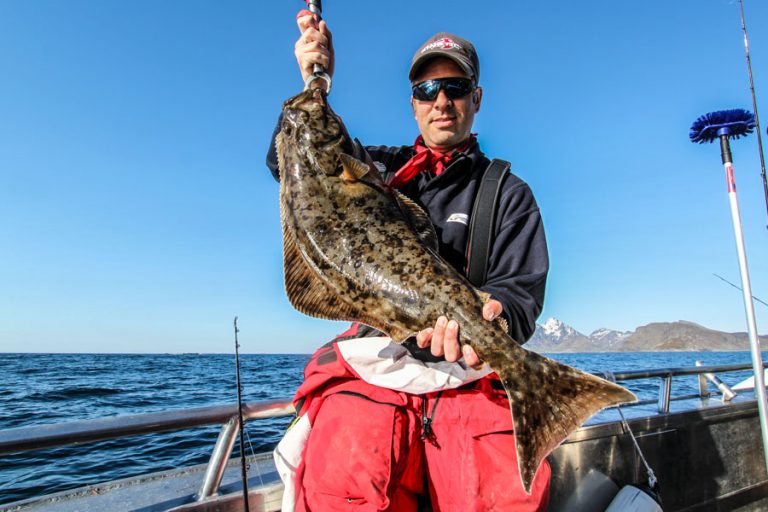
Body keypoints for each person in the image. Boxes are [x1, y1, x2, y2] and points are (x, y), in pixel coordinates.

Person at [268, 12, 551, 512]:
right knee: (346, 473)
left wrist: (493, 315)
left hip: (467, 372)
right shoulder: (375, 167)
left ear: (476, 98)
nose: (442, 101)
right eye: (427, 89)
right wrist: (316, 79)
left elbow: (520, 297)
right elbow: (291, 160)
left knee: (498, 489)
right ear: (414, 103)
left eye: (456, 86)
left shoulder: (508, 193)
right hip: (377, 364)